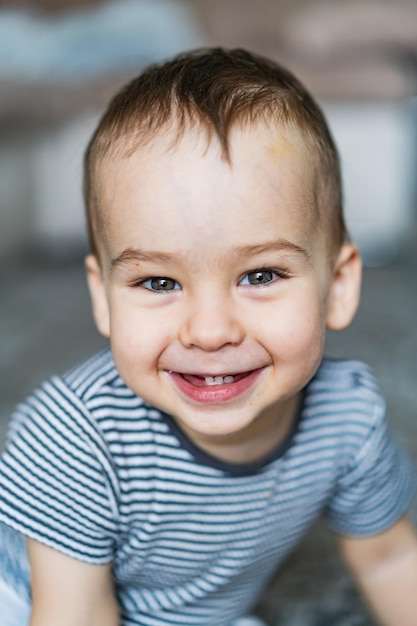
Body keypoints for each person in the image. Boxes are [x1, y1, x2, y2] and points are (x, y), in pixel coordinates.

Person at [0, 47, 416, 626]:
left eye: (261, 275)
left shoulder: (348, 415)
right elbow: (76, 613)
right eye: (159, 280)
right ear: (104, 297)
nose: (210, 331)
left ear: (340, 285)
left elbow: (388, 558)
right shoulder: (76, 436)